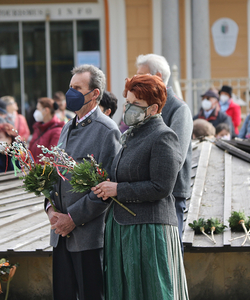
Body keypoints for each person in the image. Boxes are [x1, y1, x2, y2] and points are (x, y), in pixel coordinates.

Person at [92, 74, 189, 300]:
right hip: (123, 227)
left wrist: (118, 189)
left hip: (150, 230)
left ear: (154, 108)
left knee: (154, 291)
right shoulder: (131, 135)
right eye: (128, 102)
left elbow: (161, 187)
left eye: (136, 104)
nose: (128, 108)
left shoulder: (163, 136)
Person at [45, 64, 121, 300]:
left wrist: (73, 218)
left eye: (78, 88)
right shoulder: (67, 126)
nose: (71, 93)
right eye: (70, 88)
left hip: (87, 237)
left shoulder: (107, 130)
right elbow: (54, 173)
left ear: (95, 93)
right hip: (59, 234)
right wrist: (49, 209)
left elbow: (106, 188)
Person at [136, 53, 193, 255]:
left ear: (158, 76)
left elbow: (175, 157)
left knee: (169, 253)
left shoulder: (179, 109)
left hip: (171, 193)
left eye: (141, 75)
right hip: (147, 191)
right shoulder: (141, 106)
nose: (136, 80)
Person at [29, 97, 64, 162]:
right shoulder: (38, 127)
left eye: (38, 109)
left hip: (43, 170)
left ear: (46, 111)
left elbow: (51, 156)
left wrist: (36, 167)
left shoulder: (57, 131)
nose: (36, 112)